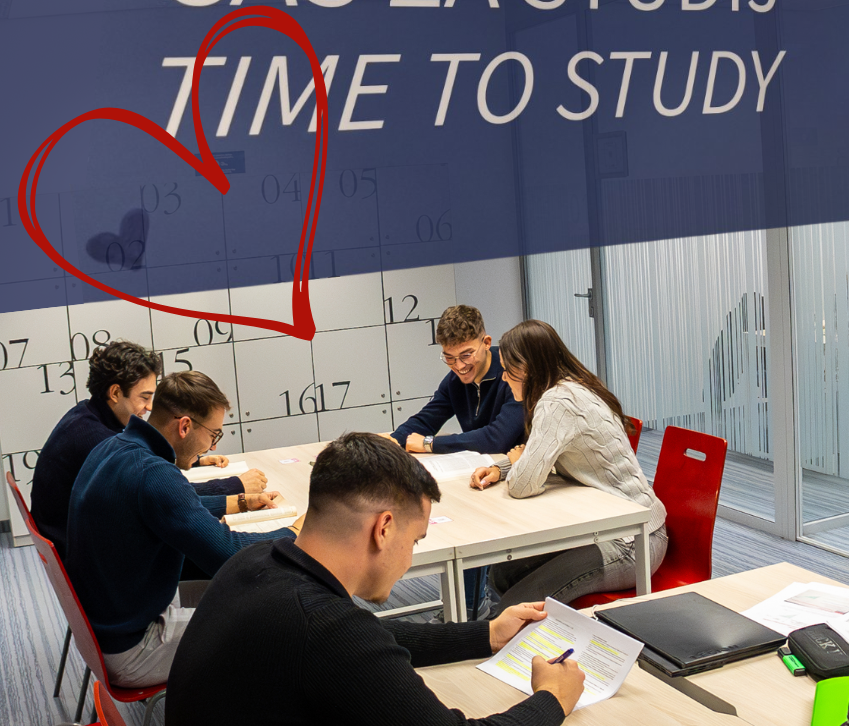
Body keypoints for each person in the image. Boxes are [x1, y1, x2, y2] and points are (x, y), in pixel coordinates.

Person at [166, 432, 585, 726]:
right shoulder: (322, 629)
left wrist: (487, 634)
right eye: (415, 540)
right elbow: (351, 642)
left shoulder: (257, 562)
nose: (409, 559)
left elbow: (370, 640)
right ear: (383, 528)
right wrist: (553, 698)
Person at [65, 371, 290, 687]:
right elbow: (230, 554)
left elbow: (169, 506)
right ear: (184, 426)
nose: (211, 447)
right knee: (275, 620)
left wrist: (239, 502)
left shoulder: (115, 447)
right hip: (133, 648)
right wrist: (296, 532)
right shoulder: (154, 473)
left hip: (105, 625)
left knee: (245, 592)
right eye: (214, 435)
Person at [469, 320, 667, 611]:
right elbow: (536, 458)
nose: (503, 379)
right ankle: (544, 640)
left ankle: (534, 647)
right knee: (504, 572)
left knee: (512, 606)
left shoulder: (558, 402)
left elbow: (524, 486)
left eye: (508, 370)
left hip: (632, 540)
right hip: (609, 528)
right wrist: (504, 468)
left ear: (527, 369)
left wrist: (515, 465)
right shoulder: (570, 388)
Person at [29, 340, 266, 558]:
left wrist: (193, 460)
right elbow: (168, 496)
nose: (150, 407)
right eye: (144, 397)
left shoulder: (86, 417)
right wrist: (235, 487)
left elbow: (162, 496)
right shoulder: (100, 442)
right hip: (80, 553)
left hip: (81, 549)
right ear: (115, 393)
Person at [390, 305, 525, 455]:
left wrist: (430, 444)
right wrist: (394, 441)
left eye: (466, 355)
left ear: (486, 343)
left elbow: (497, 438)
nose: (459, 366)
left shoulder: (514, 374)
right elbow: (426, 420)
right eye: (449, 358)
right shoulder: (454, 381)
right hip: (484, 466)